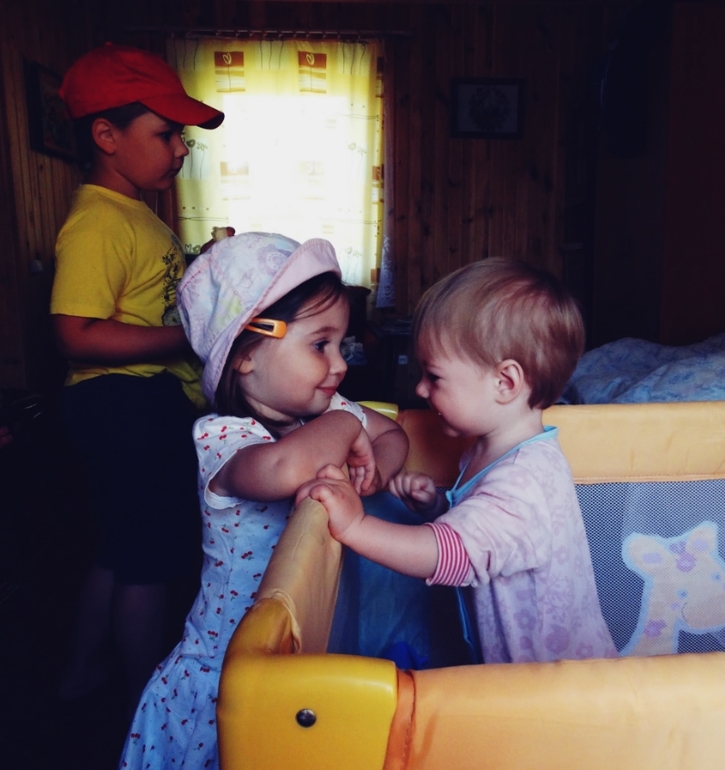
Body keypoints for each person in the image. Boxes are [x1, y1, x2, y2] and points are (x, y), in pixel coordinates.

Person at [119, 232, 409, 769]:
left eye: (341, 344)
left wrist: (369, 475)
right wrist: (348, 428)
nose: (341, 364)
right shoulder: (222, 438)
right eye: (320, 345)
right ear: (247, 355)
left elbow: (392, 434)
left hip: (297, 651)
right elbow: (285, 469)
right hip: (227, 674)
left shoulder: (326, 411)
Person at [298, 258, 618, 664]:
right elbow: (489, 536)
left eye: (434, 376)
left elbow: (451, 555)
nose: (420, 388)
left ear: (505, 383)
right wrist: (438, 505)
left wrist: (356, 526)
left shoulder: (525, 482)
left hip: (555, 686)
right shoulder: (490, 449)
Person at [50, 43, 224, 713]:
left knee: (121, 550)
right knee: (149, 561)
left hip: (139, 400)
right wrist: (191, 337)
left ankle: (80, 672)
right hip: (122, 403)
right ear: (106, 135)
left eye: (181, 137)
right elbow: (76, 334)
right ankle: (148, 708)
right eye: (165, 133)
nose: (179, 150)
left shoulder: (134, 213)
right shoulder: (97, 219)